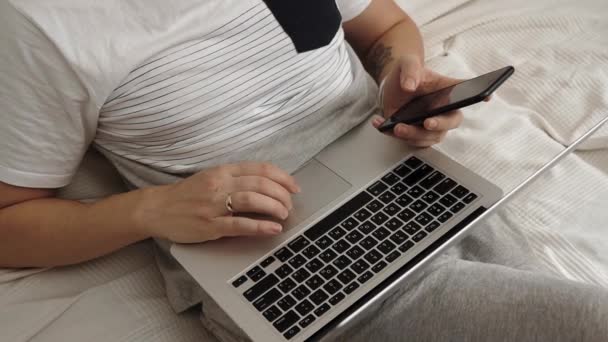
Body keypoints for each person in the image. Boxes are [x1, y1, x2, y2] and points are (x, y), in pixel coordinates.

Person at [1, 0, 606, 341]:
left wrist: (402, 80)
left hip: (399, 169)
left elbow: (386, 29)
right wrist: (150, 210)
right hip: (269, 246)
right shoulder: (36, 23)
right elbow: (9, 222)